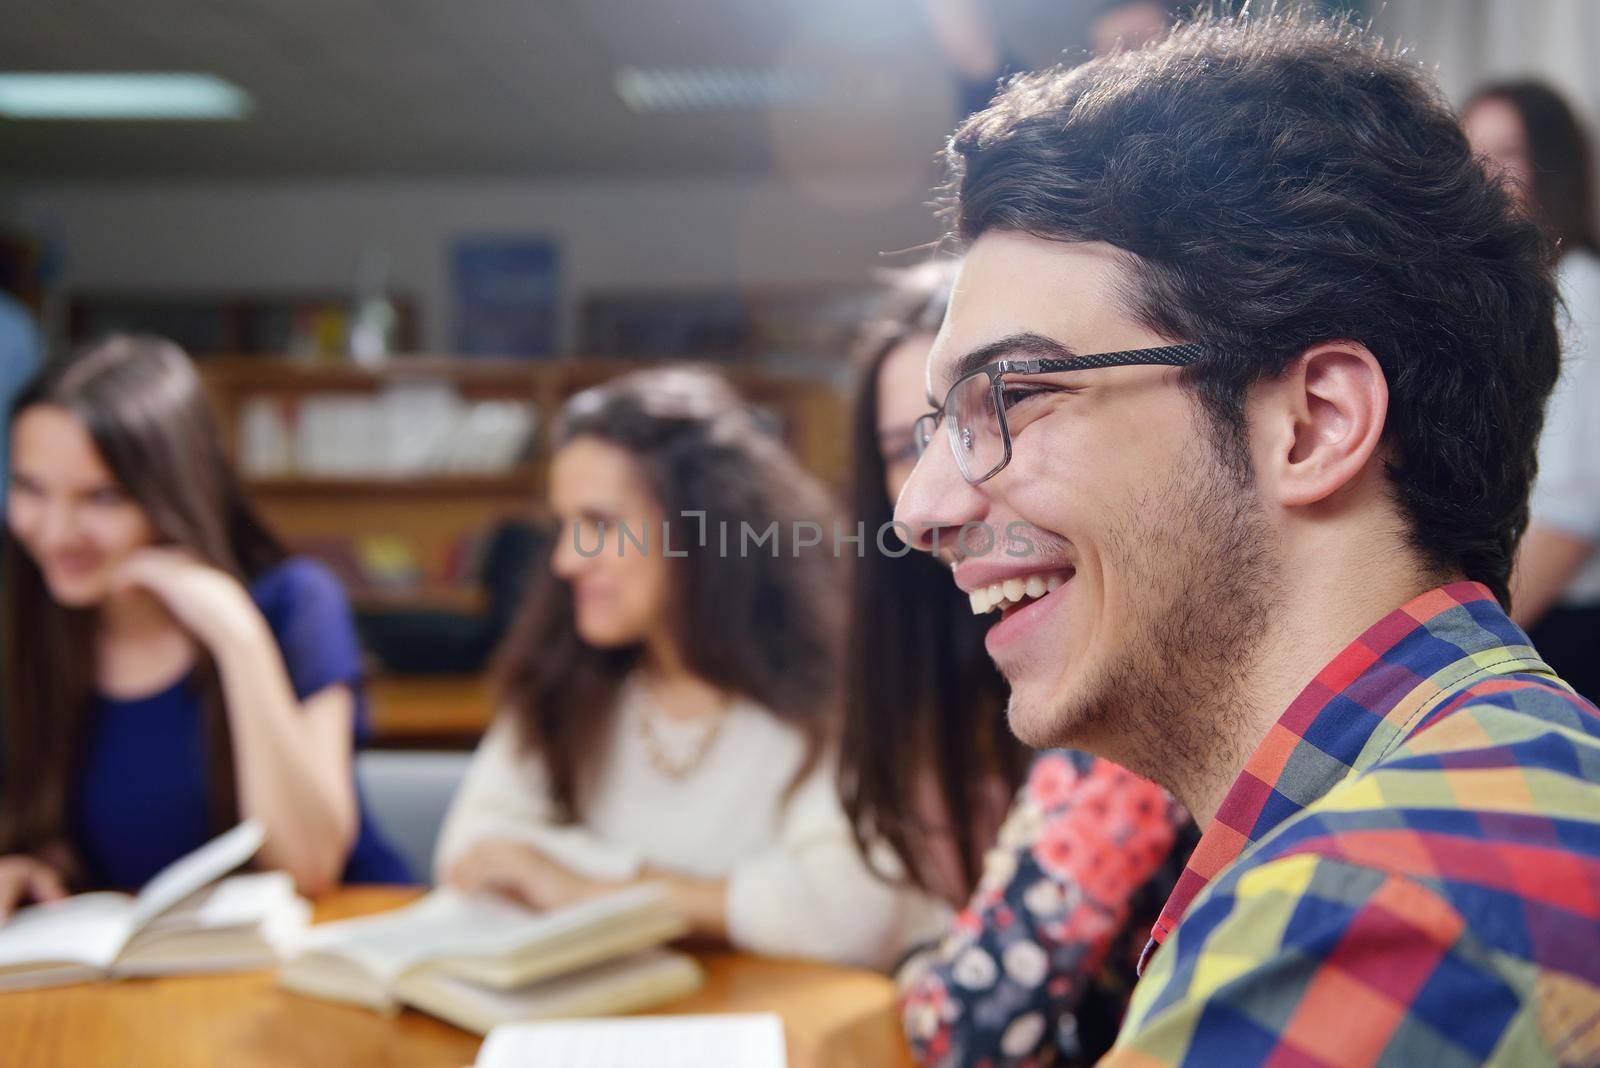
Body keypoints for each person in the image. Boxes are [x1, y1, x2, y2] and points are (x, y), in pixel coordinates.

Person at [894, 11, 1597, 1065]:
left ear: (1312, 424)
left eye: (1018, 393)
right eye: (938, 424)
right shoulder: (1525, 772)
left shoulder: (1348, 929)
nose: (920, 508)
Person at [434, 366, 940, 969]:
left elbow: (846, 915)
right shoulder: (560, 682)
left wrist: (577, 887)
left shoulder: (832, 692)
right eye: (563, 527)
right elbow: (469, 855)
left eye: (598, 525)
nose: (566, 561)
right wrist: (720, 898)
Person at [839, 261, 1193, 1065]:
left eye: (1007, 405)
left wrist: (916, 965)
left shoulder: (1126, 662)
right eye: (907, 447)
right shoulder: (940, 674)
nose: (934, 493)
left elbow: (974, 1023)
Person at [0, 336, 409, 915]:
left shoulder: (293, 603)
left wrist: (236, 636)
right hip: (134, 981)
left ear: (172, 493)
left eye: (103, 498)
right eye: (31, 490)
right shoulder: (29, 619)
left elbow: (311, 865)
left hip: (333, 948)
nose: (57, 532)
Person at [1465, 81, 1600, 705]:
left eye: (1508, 152)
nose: (1486, 175)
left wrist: (1470, 649)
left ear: (1555, 167)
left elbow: (1573, 518)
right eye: (1471, 154)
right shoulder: (1509, 299)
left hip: (1556, 631)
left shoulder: (1584, 295)